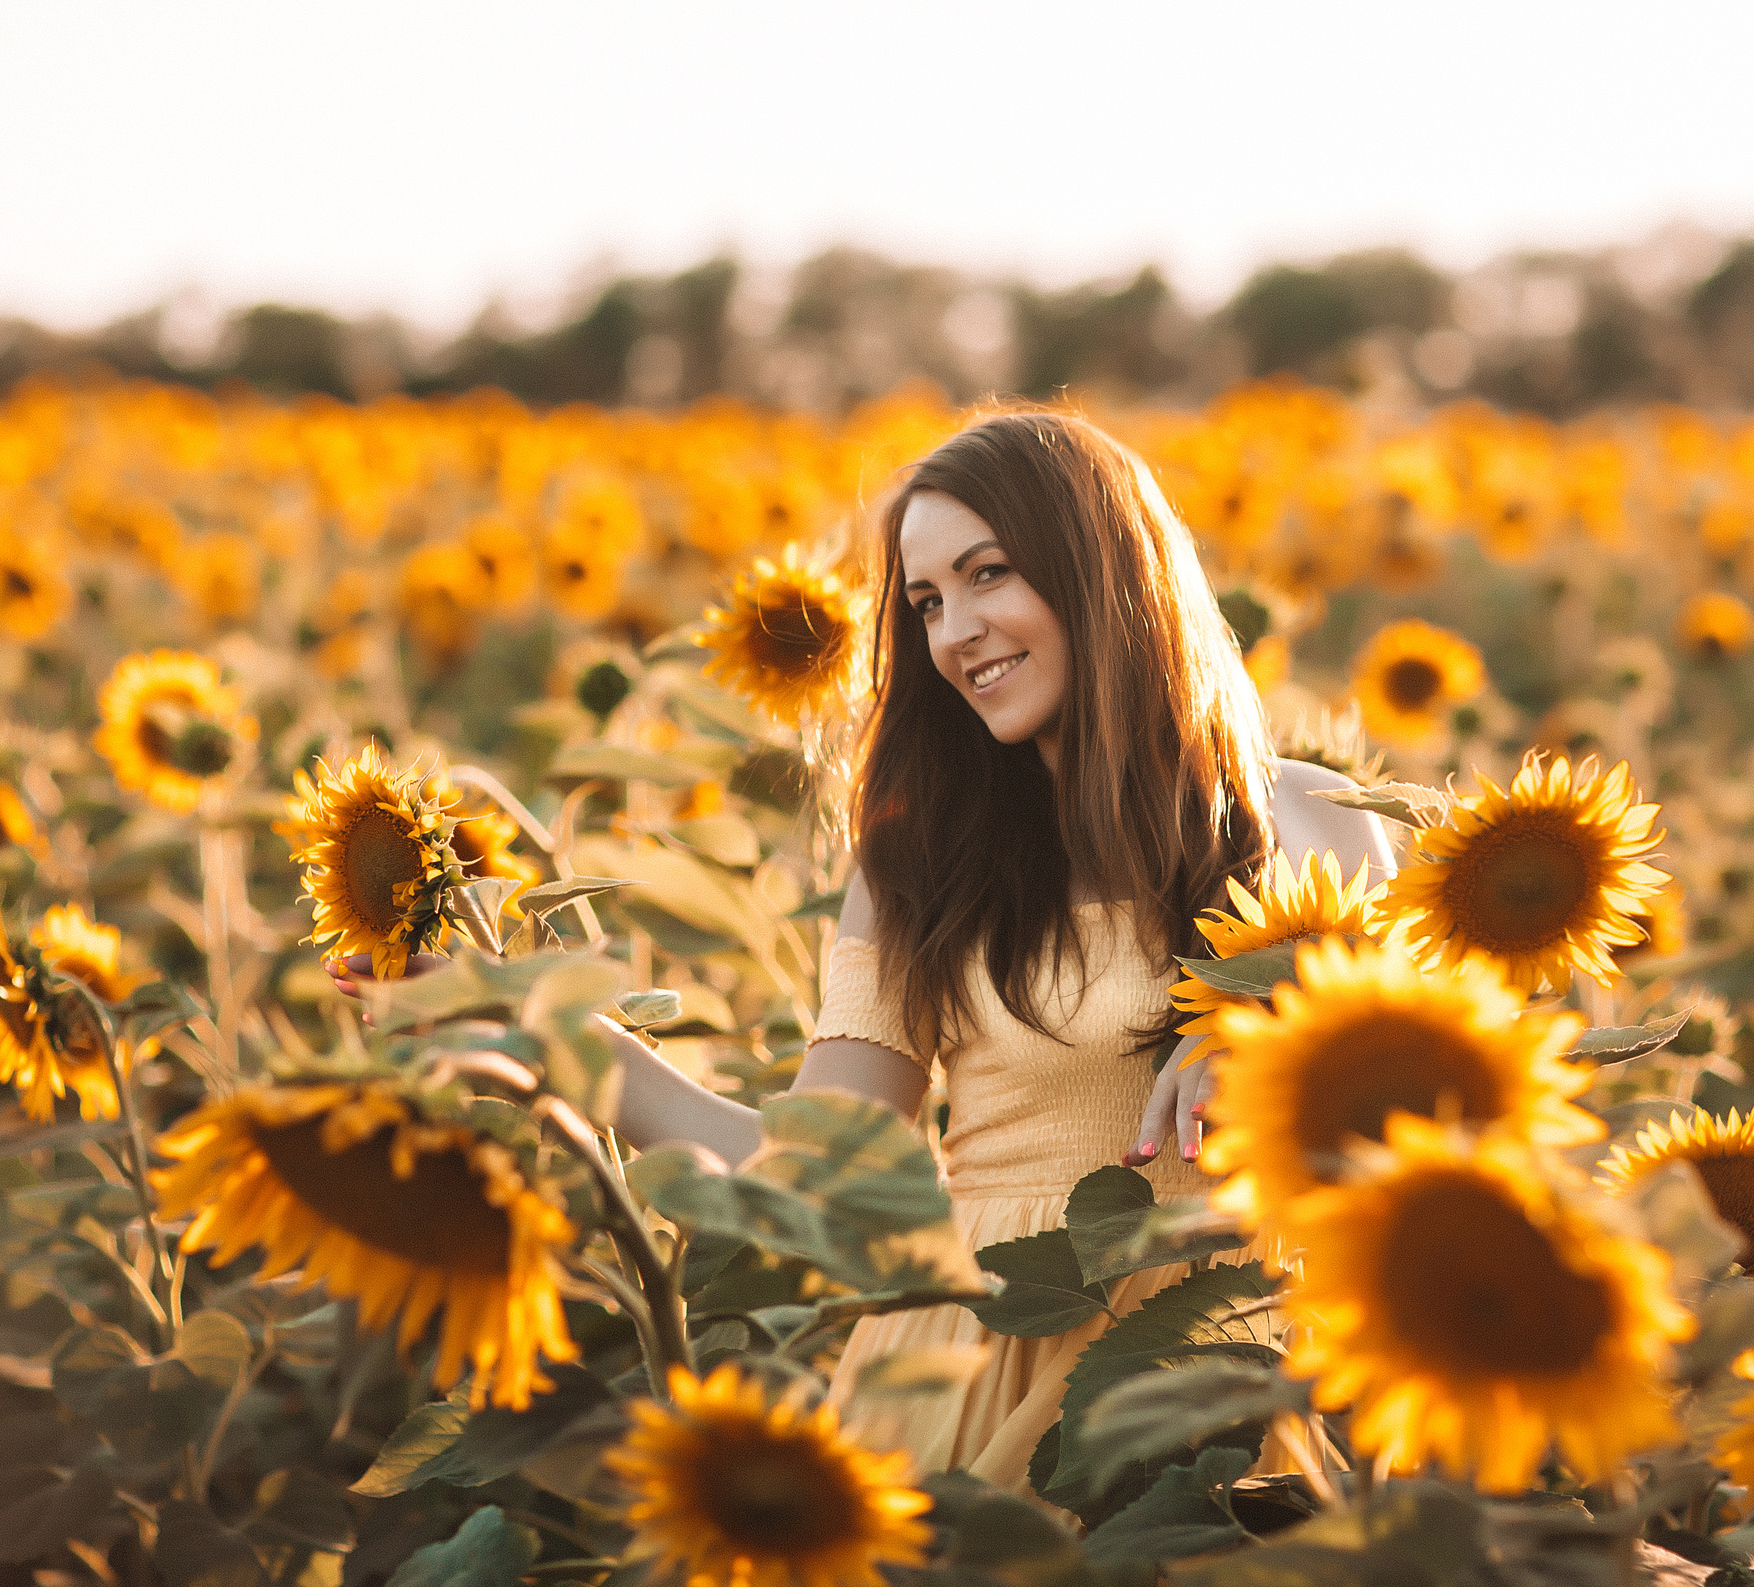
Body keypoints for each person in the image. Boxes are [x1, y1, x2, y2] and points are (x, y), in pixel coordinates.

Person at [342, 411, 1393, 1486]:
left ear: (1106, 569)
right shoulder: (922, 868)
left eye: (988, 574)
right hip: (998, 1383)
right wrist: (551, 1037)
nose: (955, 633)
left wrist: (1306, 1061)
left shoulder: (1325, 820)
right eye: (928, 603)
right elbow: (818, 1175)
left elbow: (1450, 1114)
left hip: (1278, 1373)